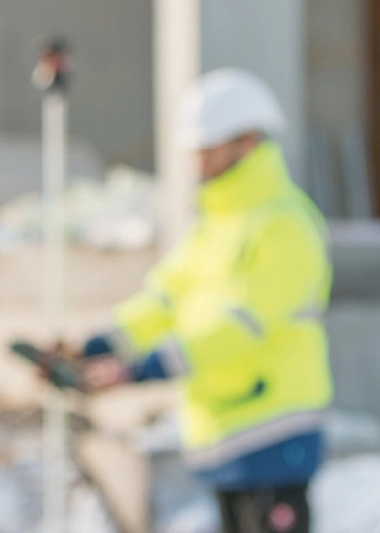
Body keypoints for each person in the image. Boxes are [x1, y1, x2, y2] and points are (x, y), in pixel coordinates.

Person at [76, 68, 331, 533]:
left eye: (208, 149)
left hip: (274, 433)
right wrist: (97, 345)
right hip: (224, 435)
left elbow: (243, 326)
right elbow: (163, 301)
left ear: (248, 141)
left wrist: (143, 368)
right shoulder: (214, 227)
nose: (198, 164)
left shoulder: (286, 225)